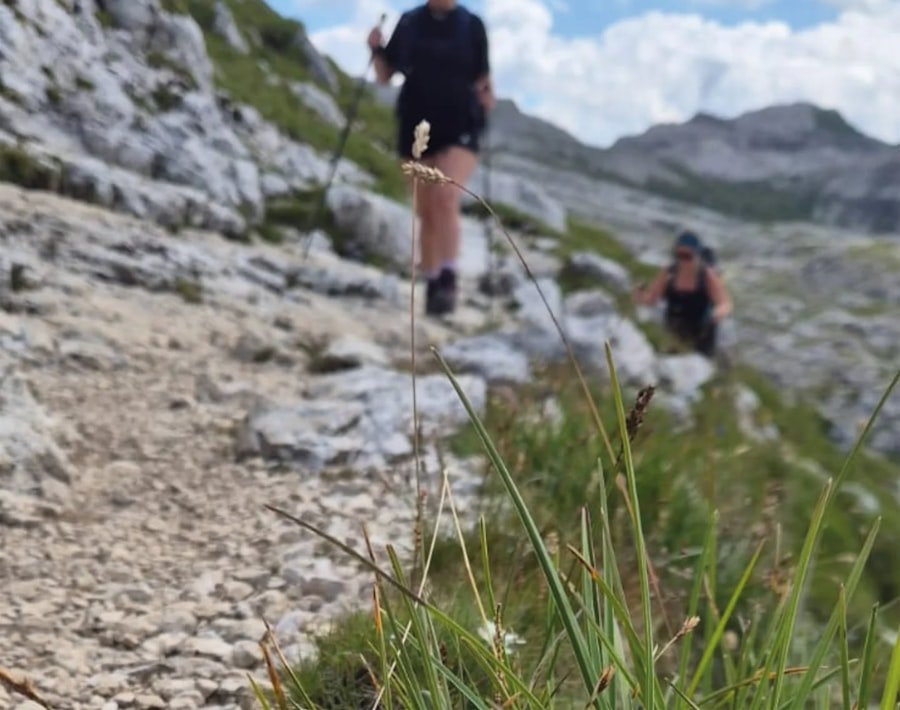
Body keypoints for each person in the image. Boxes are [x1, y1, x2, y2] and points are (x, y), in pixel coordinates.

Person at [367, 1, 496, 317]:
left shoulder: (472, 25)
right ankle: (432, 282)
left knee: (445, 196)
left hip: (461, 125)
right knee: (425, 209)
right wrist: (375, 49)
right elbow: (385, 76)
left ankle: (449, 279)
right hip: (414, 124)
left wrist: (486, 99)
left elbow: (483, 78)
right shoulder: (410, 22)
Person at [633, 231, 733, 358]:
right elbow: (652, 298)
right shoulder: (669, 273)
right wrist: (640, 296)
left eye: (687, 256)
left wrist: (718, 313)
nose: (682, 261)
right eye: (678, 255)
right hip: (675, 329)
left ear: (697, 256)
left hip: (702, 334)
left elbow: (725, 303)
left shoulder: (706, 276)